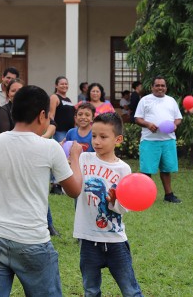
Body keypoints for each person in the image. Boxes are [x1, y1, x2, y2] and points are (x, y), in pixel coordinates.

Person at [0, 85, 83, 296]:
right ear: (42, 115)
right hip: (31, 240)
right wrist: (75, 158)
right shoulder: (49, 147)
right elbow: (74, 190)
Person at [74, 112, 143, 296]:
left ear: (118, 139)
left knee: (131, 290)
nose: (97, 141)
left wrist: (114, 201)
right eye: (94, 135)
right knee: (91, 290)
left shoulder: (123, 168)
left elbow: (124, 207)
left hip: (115, 241)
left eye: (103, 137)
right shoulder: (84, 159)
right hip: (88, 240)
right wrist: (72, 159)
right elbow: (71, 190)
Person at [0, 79, 61, 236]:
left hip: (35, 153)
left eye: (20, 90)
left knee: (37, 190)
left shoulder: (35, 110)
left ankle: (48, 224)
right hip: (12, 156)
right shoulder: (5, 111)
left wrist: (41, 138)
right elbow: (6, 132)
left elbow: (52, 123)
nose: (17, 93)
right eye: (13, 91)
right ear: (8, 94)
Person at [135, 76, 183, 203]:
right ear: (152, 87)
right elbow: (137, 118)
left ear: (166, 88)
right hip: (149, 140)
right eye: (157, 85)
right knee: (147, 171)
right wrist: (148, 124)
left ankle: (169, 195)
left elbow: (178, 118)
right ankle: (145, 196)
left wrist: (175, 125)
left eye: (162, 85)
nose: (160, 88)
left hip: (168, 140)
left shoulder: (171, 101)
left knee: (166, 169)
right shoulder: (145, 100)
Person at [49, 76, 75, 142]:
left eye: (66, 84)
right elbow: (51, 115)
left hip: (70, 131)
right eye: (62, 84)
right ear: (56, 86)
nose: (64, 86)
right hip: (59, 132)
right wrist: (52, 128)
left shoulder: (68, 99)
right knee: (62, 150)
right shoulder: (54, 97)